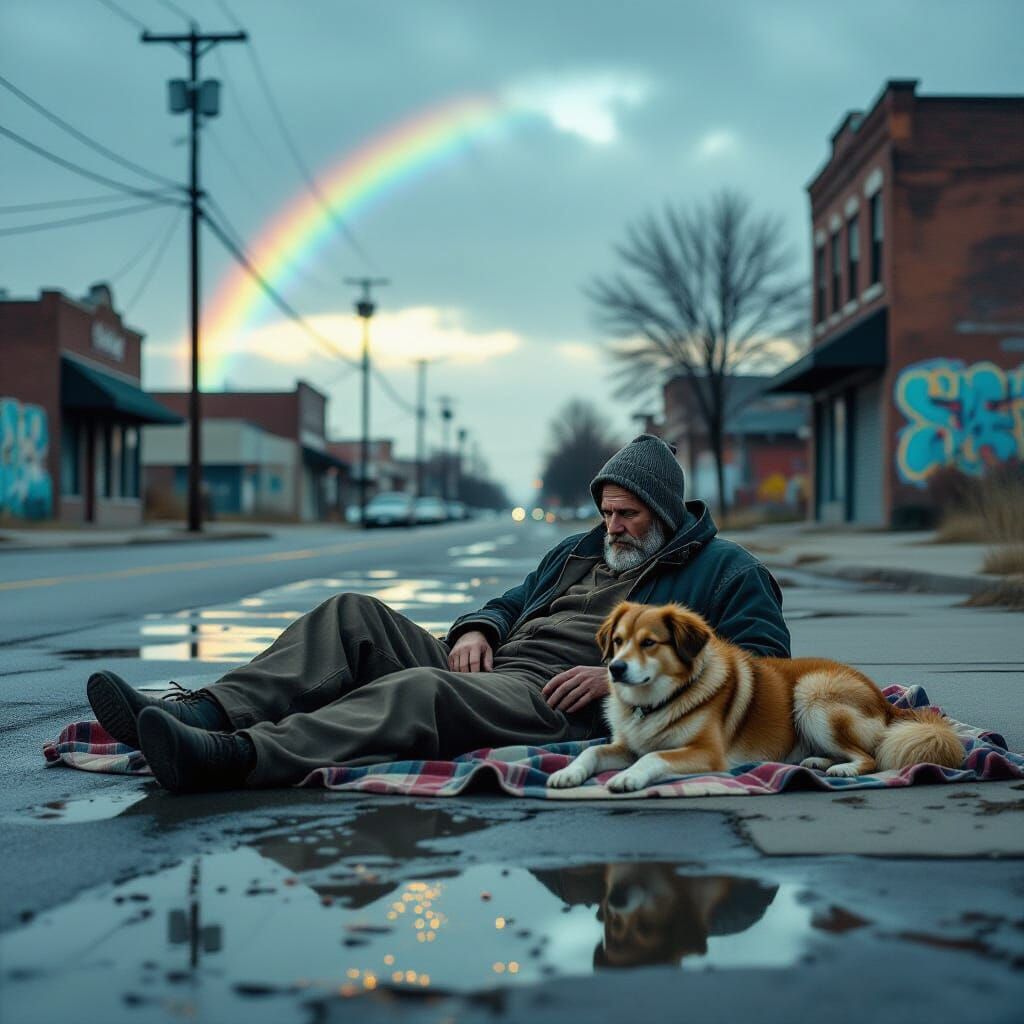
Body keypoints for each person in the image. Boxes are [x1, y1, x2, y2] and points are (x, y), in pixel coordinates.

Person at [86, 434, 790, 794]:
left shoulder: (725, 570)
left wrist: (623, 684)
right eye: (606, 513)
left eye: (628, 515)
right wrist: (479, 628)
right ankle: (204, 714)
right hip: (497, 668)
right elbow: (511, 603)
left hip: (556, 700)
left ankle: (235, 759)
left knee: (418, 692)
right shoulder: (576, 551)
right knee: (350, 613)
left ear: (664, 514)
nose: (613, 528)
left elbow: (766, 673)